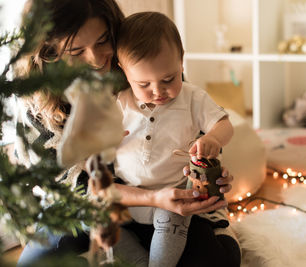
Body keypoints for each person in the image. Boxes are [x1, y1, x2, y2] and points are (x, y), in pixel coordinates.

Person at [15, 0, 239, 266]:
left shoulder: (145, 62)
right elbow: (71, 187)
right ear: (49, 53)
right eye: (76, 51)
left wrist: (210, 167)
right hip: (89, 206)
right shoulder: (37, 99)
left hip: (169, 198)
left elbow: (197, 129)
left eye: (102, 41)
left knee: (216, 259)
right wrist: (151, 198)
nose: (97, 60)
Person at [114, 11, 235, 267]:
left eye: (168, 79)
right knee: (99, 227)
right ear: (124, 73)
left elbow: (224, 124)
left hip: (175, 196)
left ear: (181, 61)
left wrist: (214, 137)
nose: (158, 91)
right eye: (144, 84)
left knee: (174, 222)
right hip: (129, 196)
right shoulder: (120, 102)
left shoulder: (192, 98)